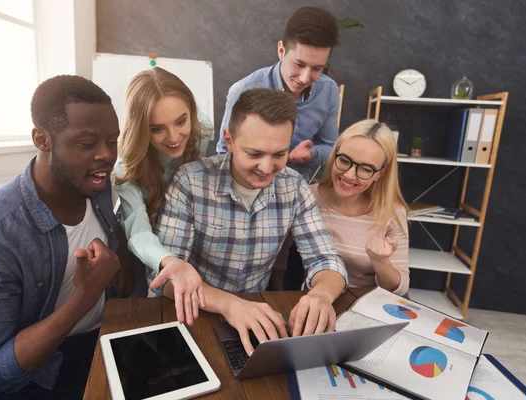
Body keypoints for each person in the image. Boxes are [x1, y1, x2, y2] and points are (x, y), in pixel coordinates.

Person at [0, 75, 134, 399]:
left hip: (98, 342)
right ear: (42, 139)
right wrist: (84, 297)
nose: (106, 155)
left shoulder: (94, 183)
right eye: (88, 144)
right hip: (34, 376)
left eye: (112, 141)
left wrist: (124, 258)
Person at [156, 88, 348, 356]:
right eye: (254, 154)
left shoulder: (294, 186)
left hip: (259, 315)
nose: (267, 168)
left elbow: (326, 259)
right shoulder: (190, 181)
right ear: (229, 140)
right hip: (197, 313)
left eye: (279, 154)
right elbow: (164, 279)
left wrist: (322, 295)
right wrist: (228, 304)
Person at [115, 67, 208, 326]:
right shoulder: (127, 167)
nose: (175, 137)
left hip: (186, 243)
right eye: (157, 129)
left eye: (181, 121)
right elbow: (138, 231)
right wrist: (169, 261)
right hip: (145, 253)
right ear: (141, 129)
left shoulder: (204, 134)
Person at [280, 120, 409, 295]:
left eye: (365, 169)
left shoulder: (392, 212)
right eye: (344, 160)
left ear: (380, 173)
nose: (349, 175)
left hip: (366, 305)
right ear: (334, 155)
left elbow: (399, 289)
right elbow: (282, 264)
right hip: (311, 299)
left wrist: (381, 261)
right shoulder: (305, 198)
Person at [216, 6, 340, 181]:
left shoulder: (329, 91)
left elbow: (332, 148)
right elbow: (224, 152)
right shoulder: (243, 90)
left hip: (296, 190)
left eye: (317, 68)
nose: (305, 78)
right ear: (281, 51)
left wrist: (311, 154)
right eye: (299, 64)